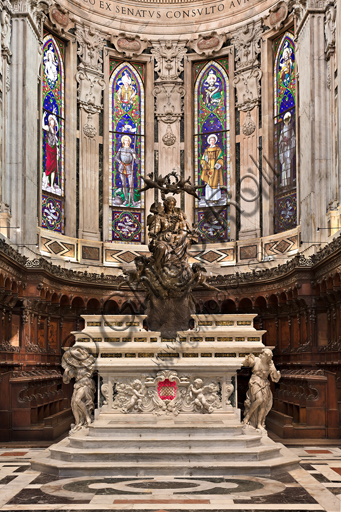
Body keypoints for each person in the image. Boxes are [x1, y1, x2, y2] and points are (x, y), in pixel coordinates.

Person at [243, 348, 281, 431]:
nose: (261, 355)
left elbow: (275, 378)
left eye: (263, 355)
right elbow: (248, 363)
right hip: (255, 381)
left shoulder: (270, 364)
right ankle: (247, 417)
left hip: (265, 383)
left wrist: (273, 369)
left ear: (268, 357)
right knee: (259, 399)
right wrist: (248, 359)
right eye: (262, 353)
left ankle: (259, 423)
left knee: (263, 403)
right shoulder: (256, 360)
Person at [114, 135, 138, 206]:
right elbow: (116, 157)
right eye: (125, 140)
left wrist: (135, 157)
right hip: (122, 167)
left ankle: (133, 200)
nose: (126, 142)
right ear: (123, 141)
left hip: (129, 167)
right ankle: (126, 200)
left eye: (128, 140)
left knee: (131, 185)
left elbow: (136, 160)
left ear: (129, 142)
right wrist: (119, 162)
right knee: (124, 184)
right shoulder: (121, 149)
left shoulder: (131, 150)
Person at [200, 134, 224, 203]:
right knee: (208, 184)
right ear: (209, 141)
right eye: (211, 140)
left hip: (215, 169)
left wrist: (218, 164)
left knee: (215, 183)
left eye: (213, 140)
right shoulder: (206, 150)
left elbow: (220, 158)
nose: (212, 141)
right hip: (208, 168)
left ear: (215, 141)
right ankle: (209, 198)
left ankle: (216, 199)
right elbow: (203, 159)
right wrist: (204, 162)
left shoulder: (218, 149)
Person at [42, 114, 59, 192]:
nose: (52, 122)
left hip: (54, 151)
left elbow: (56, 142)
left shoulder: (55, 132)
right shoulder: (48, 128)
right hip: (49, 150)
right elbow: (42, 126)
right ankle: (45, 184)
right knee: (48, 167)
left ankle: (51, 185)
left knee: (53, 169)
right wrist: (43, 117)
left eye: (53, 121)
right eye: (51, 121)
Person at [279, 112, 295, 186]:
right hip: (284, 150)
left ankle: (289, 182)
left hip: (289, 149)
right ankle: (284, 182)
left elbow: (293, 138)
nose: (286, 121)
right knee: (284, 166)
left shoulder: (291, 129)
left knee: (289, 163)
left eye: (288, 119)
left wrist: (289, 141)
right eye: (285, 120)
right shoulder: (282, 131)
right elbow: (280, 143)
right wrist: (283, 143)